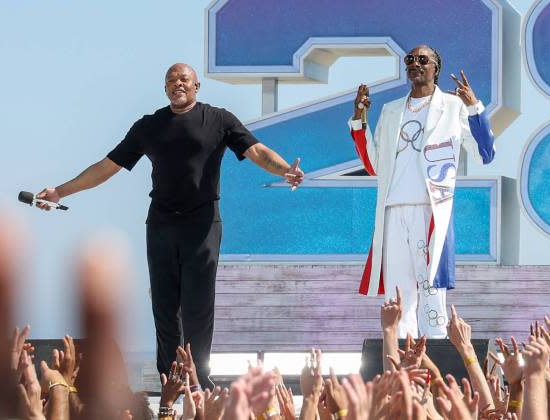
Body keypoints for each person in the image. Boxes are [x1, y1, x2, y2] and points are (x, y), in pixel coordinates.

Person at [36, 63, 304, 389]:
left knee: (198, 306)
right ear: (165, 88)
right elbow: (107, 166)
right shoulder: (149, 126)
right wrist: (61, 191)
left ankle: (198, 379)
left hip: (203, 224)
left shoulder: (219, 119)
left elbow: (256, 151)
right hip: (161, 224)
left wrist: (284, 170)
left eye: (184, 79)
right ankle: (170, 379)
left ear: (196, 86)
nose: (178, 84)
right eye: (171, 80)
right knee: (164, 306)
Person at [348, 45, 495, 339]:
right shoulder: (391, 111)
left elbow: (485, 153)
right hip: (392, 209)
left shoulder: (453, 107)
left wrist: (474, 108)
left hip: (429, 208)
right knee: (397, 291)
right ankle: (400, 358)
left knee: (430, 289)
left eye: (422, 60)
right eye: (410, 60)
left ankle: (436, 351)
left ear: (435, 68)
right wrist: (360, 119)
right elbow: (373, 164)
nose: (415, 64)